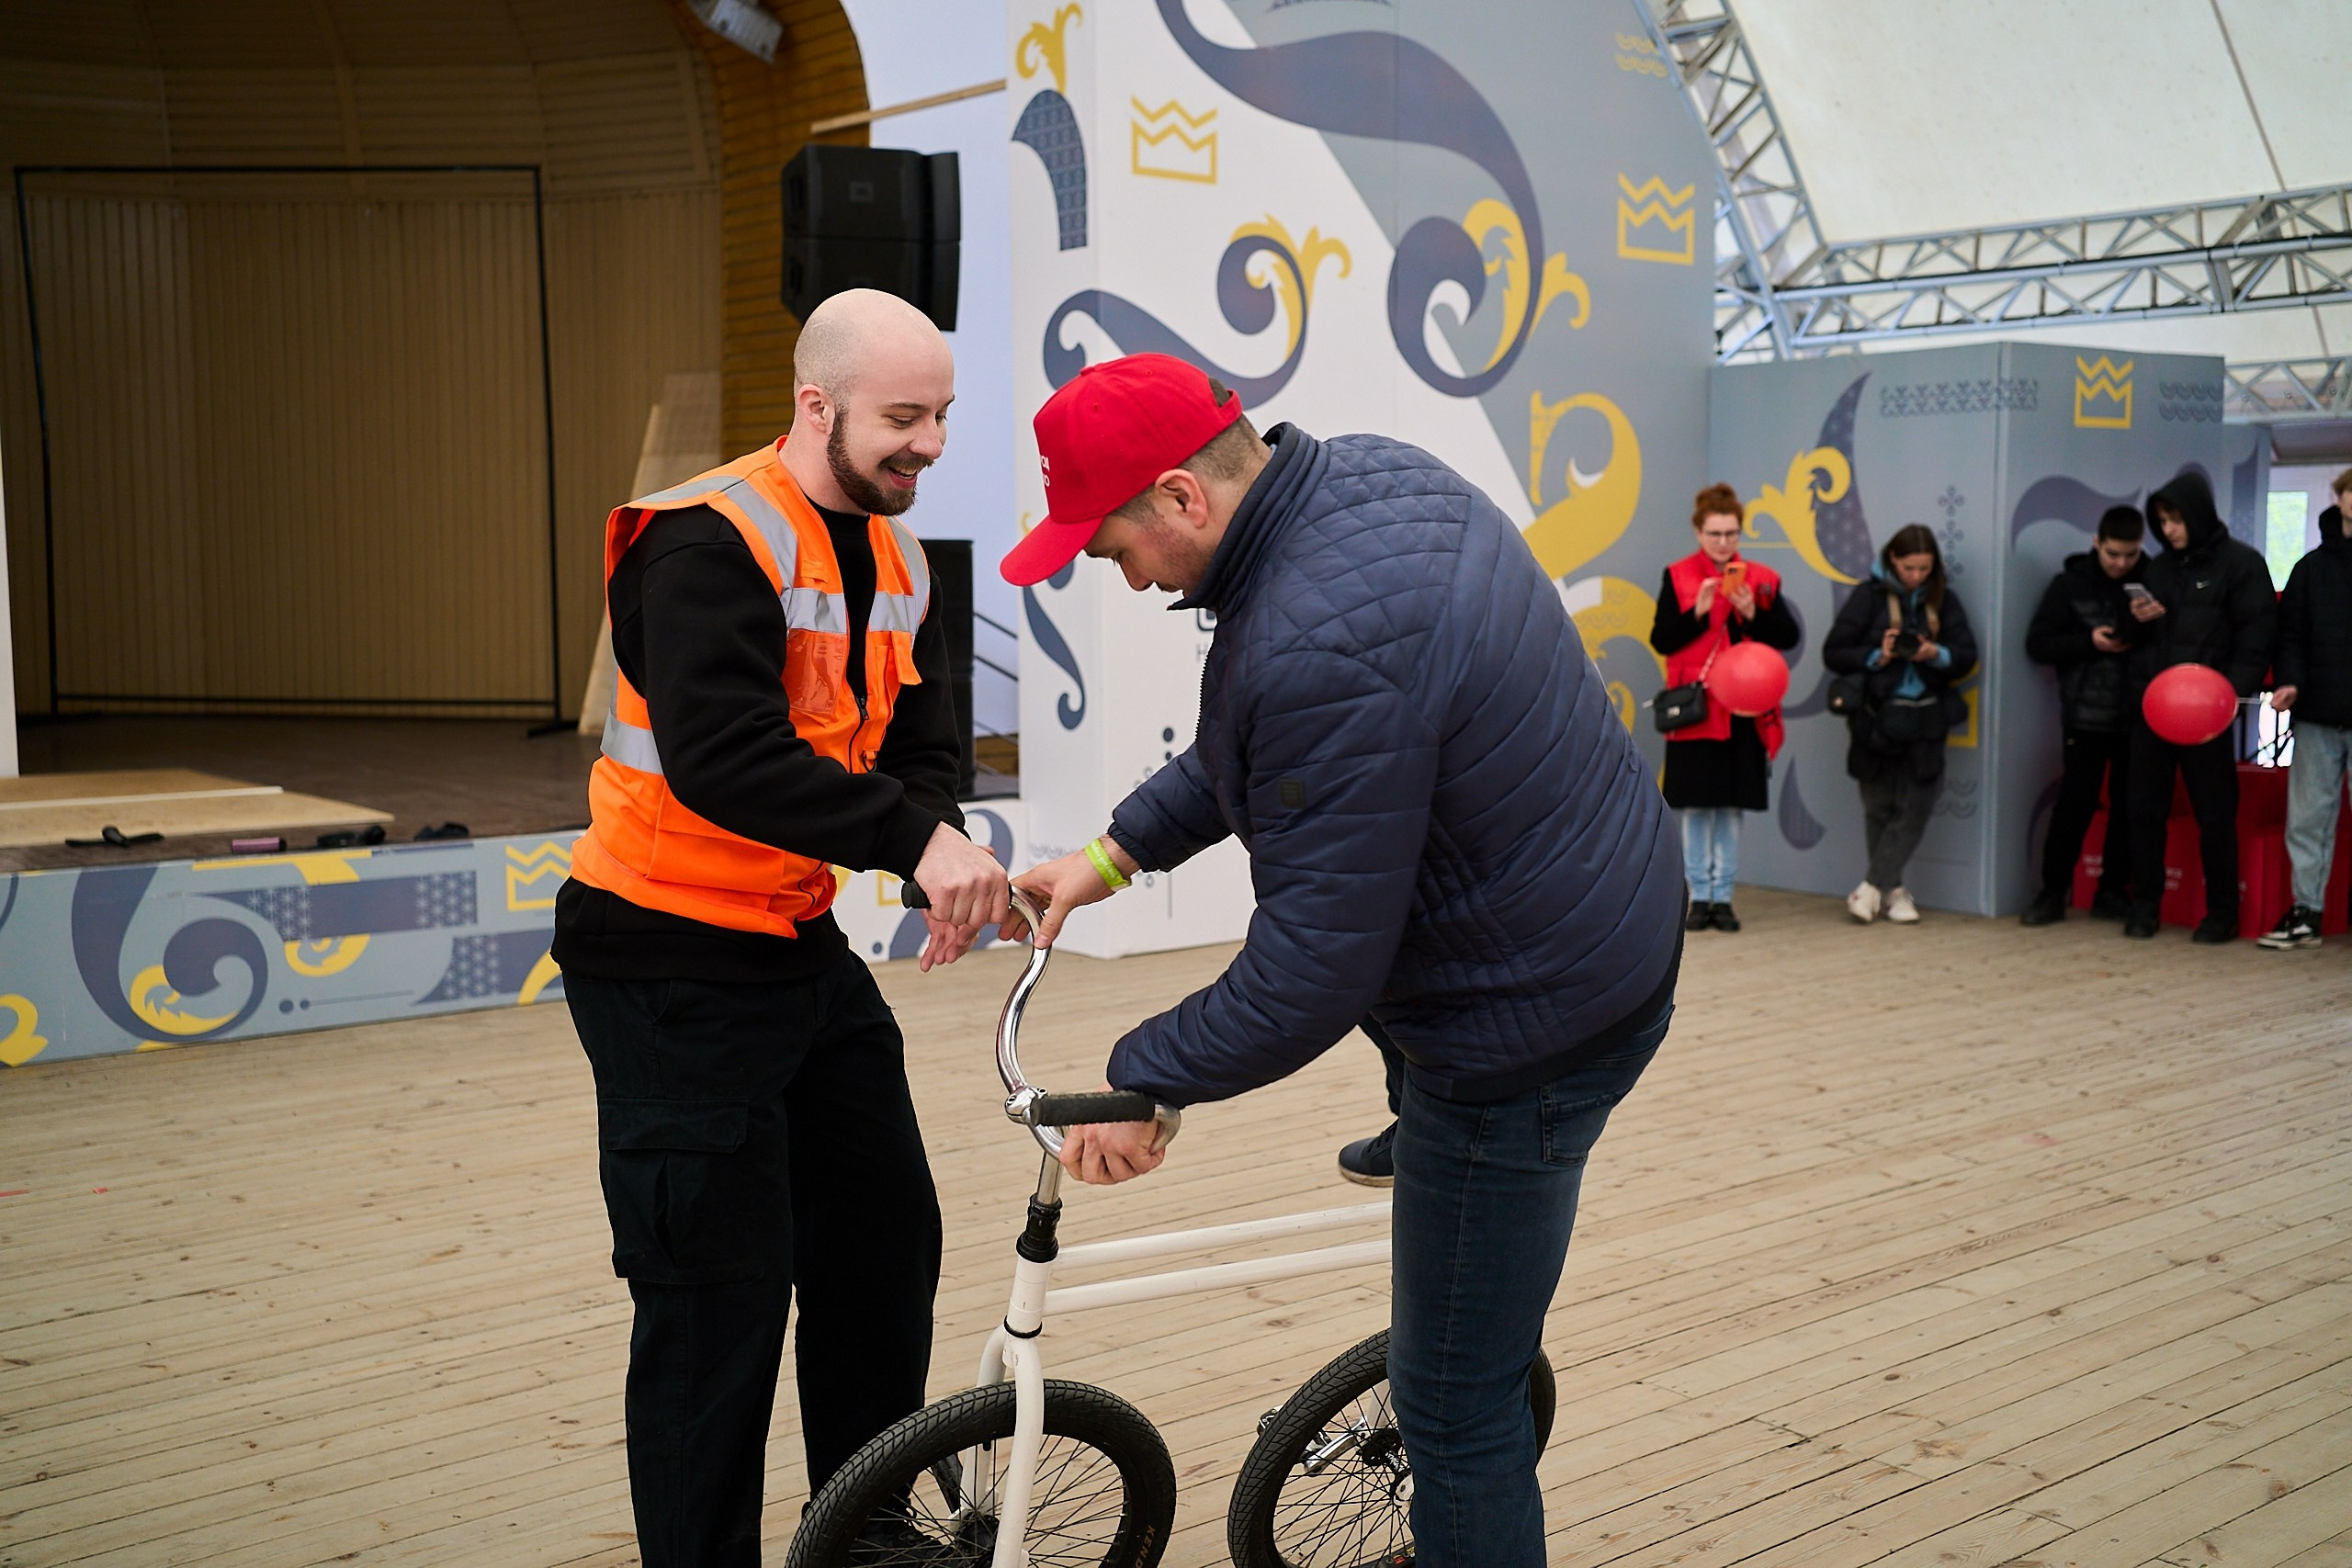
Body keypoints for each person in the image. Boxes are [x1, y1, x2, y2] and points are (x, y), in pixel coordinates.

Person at [998, 353, 1683, 1568]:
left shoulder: (1308, 642)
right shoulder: (1363, 476)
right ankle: (1423, 1130)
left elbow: (1317, 965)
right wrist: (1107, 856)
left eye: (1112, 549)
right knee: (1405, 938)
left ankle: (1444, 1146)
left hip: (1531, 1024)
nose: (1126, 575)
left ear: (1183, 497)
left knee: (1457, 1409)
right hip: (1595, 902)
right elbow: (1243, 753)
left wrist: (1143, 1073)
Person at [550, 288, 1012, 1567]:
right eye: (902, 418)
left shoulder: (900, 546)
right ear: (817, 405)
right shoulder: (705, 539)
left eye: (942, 418)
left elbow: (920, 737)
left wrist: (933, 843)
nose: (926, 443)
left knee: (882, 1233)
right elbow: (723, 758)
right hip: (661, 950)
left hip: (790, 940)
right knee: (716, 1295)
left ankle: (858, 1529)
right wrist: (912, 838)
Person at [2120, 470, 2277, 943]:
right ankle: (2145, 905)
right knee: (2143, 809)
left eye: (2175, 519)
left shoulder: (2242, 564)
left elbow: (2257, 638)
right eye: (2162, 520)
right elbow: (2138, 643)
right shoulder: (2159, 569)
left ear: (2198, 514)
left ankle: (2221, 912)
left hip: (2208, 716)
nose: (2168, 529)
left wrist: (2226, 697)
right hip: (2155, 711)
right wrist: (2137, 623)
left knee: (2215, 814)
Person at [1649, 482, 1800, 933]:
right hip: (1697, 707)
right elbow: (1663, 639)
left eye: (1732, 534)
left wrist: (1753, 611)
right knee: (1695, 807)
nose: (1723, 543)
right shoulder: (1678, 576)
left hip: (1742, 710)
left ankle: (1724, 896)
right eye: (1715, 534)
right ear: (1698, 532)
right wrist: (1698, 610)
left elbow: (1787, 636)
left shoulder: (1761, 578)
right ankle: (1699, 896)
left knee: (1731, 808)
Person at [1822, 525, 1980, 924]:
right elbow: (1835, 652)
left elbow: (1966, 655)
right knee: (1878, 806)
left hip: (1926, 716)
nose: (1916, 576)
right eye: (1910, 568)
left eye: (1925, 569)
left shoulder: (1944, 599)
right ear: (1892, 559)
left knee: (1915, 808)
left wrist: (1934, 652)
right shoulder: (1868, 596)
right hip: (1876, 716)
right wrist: (1879, 654)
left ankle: (1871, 887)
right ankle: (1893, 892)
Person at [2019, 505, 2148, 924]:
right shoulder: (2069, 585)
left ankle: (2112, 891)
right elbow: (2038, 643)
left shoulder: (2157, 581)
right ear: (2097, 542)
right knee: (2074, 805)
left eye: (2129, 555)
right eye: (2113, 554)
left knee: (2131, 808)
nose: (2120, 563)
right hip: (2085, 715)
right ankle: (2052, 893)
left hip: (2140, 713)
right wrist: (2090, 641)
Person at [2258, 473, 2352, 950]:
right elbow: (2290, 634)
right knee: (2308, 819)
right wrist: (2290, 681)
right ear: (2339, 497)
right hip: (2317, 713)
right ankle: (2306, 913)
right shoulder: (2310, 568)